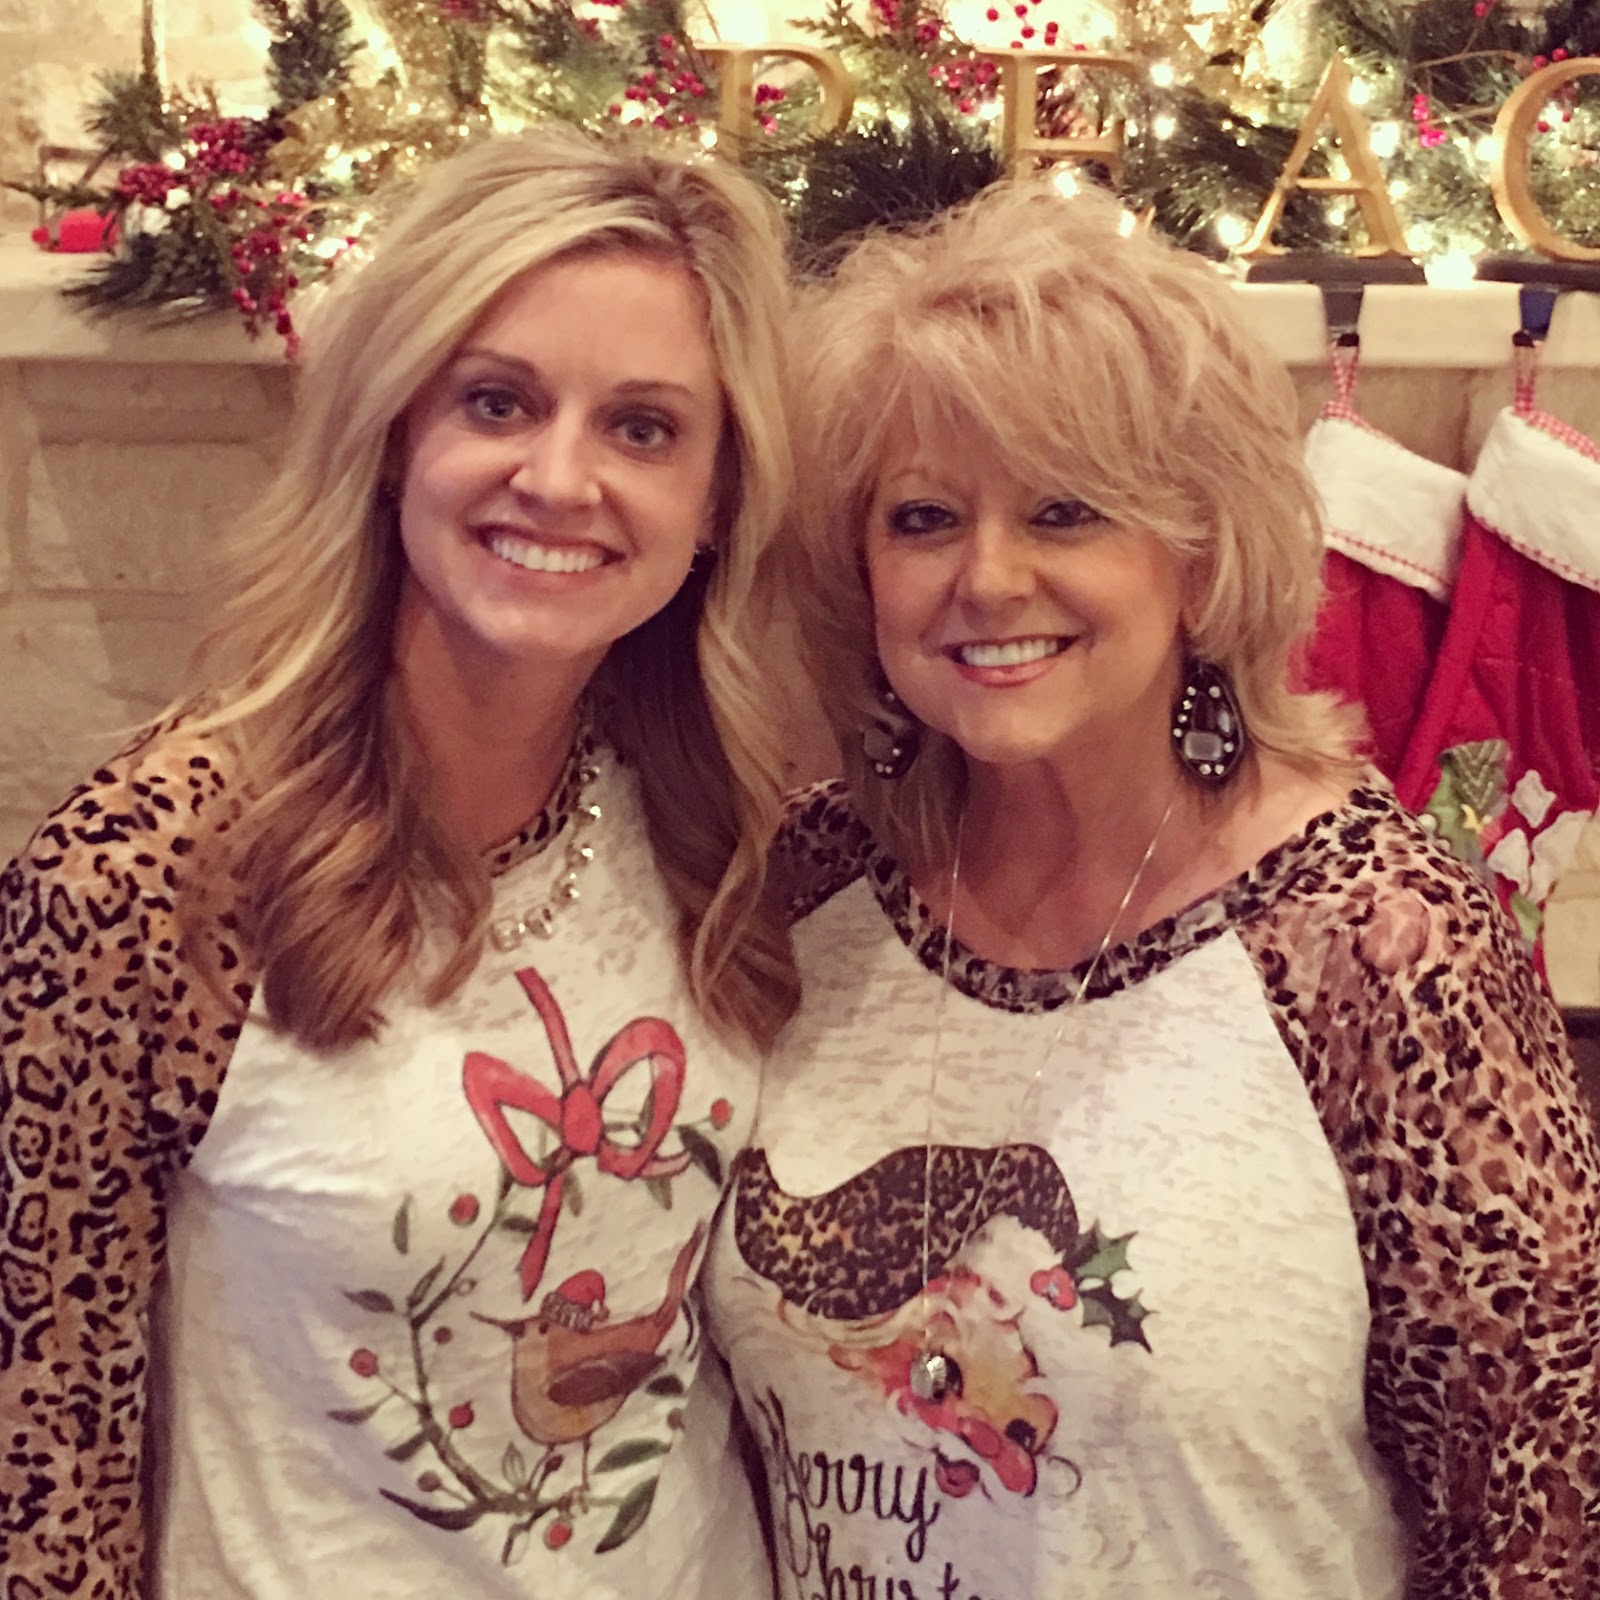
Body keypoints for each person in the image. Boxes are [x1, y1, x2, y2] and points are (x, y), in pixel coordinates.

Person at [703, 180, 1600, 1600]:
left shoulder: (1379, 942)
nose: (989, 578)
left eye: (1065, 511)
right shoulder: (805, 883)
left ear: (1197, 548)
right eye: (924, 518)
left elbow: (1537, 1517)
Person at [0, 129, 797, 1598]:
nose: (560, 478)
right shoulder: (153, 869)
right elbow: (42, 1451)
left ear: (717, 503)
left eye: (643, 428)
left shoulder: (717, 819)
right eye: (497, 402)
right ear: (389, 433)